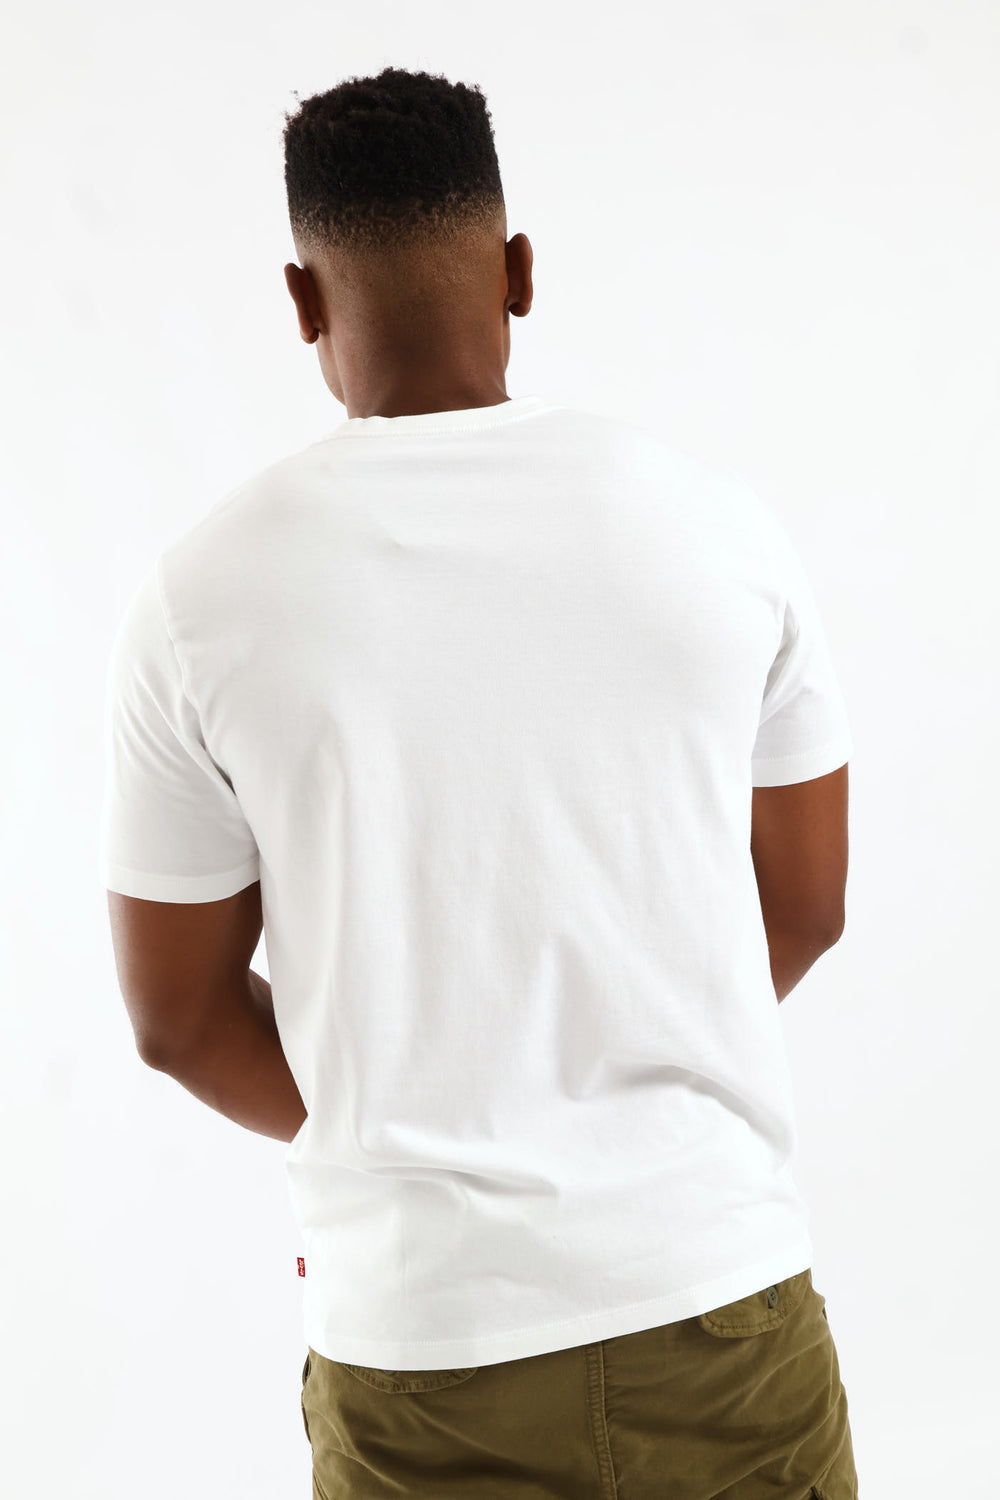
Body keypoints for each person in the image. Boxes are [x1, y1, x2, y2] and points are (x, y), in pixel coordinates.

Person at [101, 65, 859, 1499]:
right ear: (518, 271)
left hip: (422, 1352)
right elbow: (808, 905)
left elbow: (176, 1019)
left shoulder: (202, 599)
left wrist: (416, 1119)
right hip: (719, 1308)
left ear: (303, 301)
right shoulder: (718, 531)